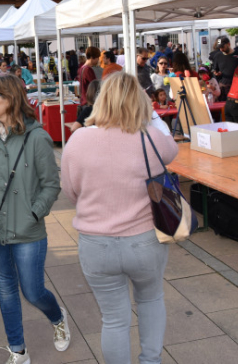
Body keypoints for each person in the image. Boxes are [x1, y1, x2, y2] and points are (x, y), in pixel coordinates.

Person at [61, 72, 177, 364]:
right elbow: (171, 148)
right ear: (140, 101)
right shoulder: (150, 138)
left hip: (96, 243)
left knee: (113, 319)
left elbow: (71, 192)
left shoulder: (78, 140)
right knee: (151, 299)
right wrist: (149, 117)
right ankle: (150, 361)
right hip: (144, 240)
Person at [0, 75, 68, 363]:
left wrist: (33, 213)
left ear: (9, 99)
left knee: (33, 291)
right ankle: (18, 349)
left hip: (27, 230)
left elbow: (51, 185)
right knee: (7, 289)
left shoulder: (36, 137)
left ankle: (58, 317)